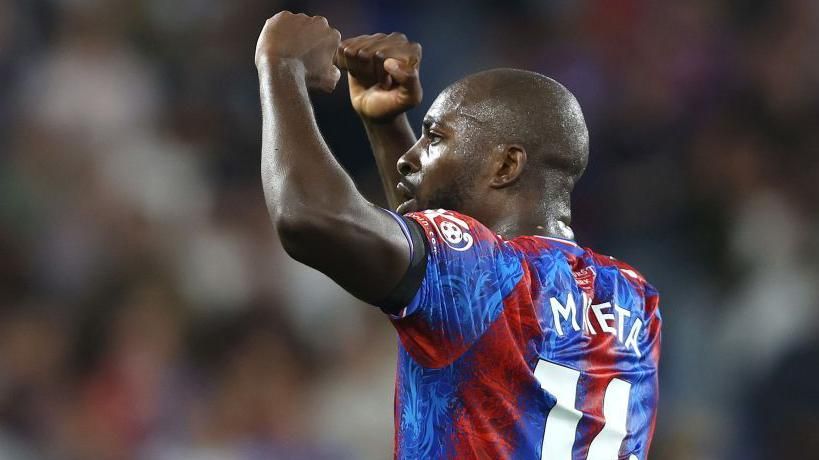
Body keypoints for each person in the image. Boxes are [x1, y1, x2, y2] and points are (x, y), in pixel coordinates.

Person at [255, 11, 661, 460]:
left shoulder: (484, 274)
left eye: (435, 138)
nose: (411, 158)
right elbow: (451, 288)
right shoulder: (633, 298)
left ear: (506, 166)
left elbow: (307, 215)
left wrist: (280, 63)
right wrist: (387, 124)